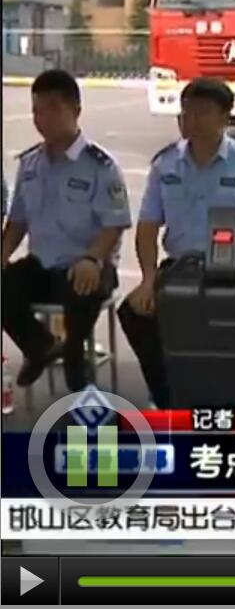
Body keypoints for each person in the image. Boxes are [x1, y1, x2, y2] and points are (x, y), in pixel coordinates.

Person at [118, 78, 235, 407]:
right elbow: (147, 228)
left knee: (227, 324)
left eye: (202, 112)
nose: (191, 120)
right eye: (186, 112)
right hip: (179, 269)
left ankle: (224, 398)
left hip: (231, 269)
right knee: (134, 313)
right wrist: (148, 279)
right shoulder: (165, 164)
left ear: (225, 118)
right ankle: (167, 397)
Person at [1, 70, 132, 390]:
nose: (42, 119)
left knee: (80, 294)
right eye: (36, 110)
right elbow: (18, 221)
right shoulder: (30, 164)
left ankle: (76, 368)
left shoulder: (100, 165)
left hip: (88, 266)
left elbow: (114, 224)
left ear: (75, 110)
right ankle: (40, 345)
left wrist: (92, 258)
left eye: (52, 109)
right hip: (42, 266)